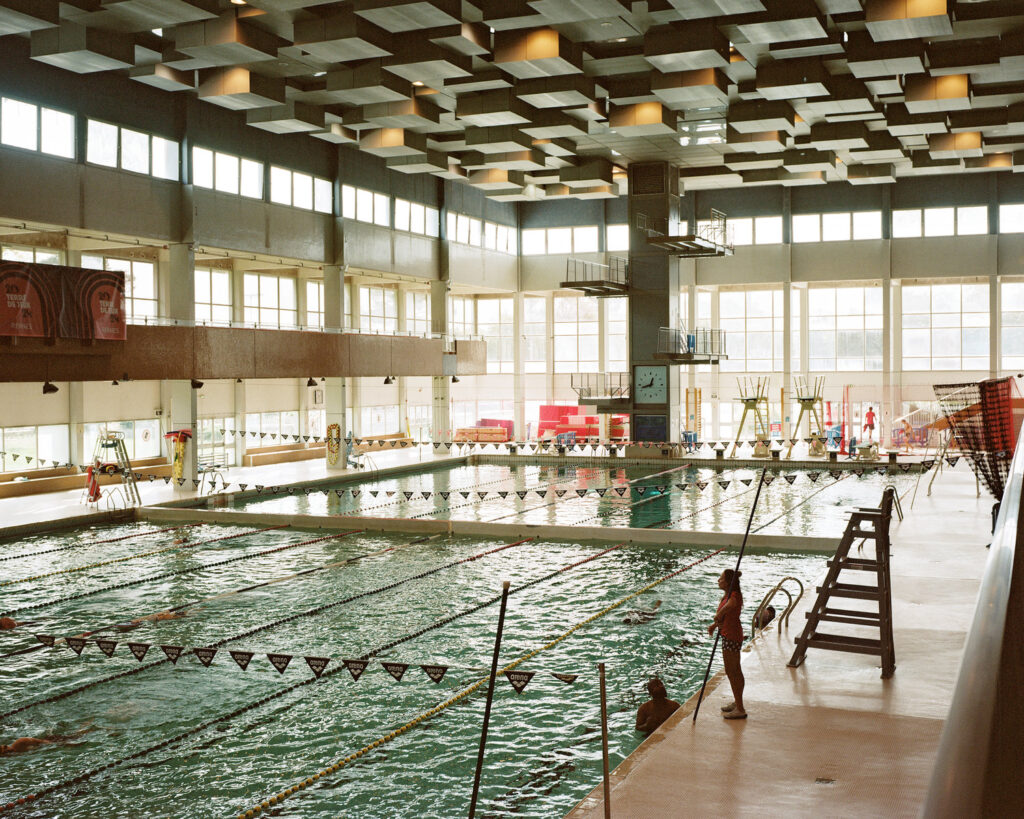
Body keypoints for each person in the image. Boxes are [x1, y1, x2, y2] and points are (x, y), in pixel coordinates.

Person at [709, 568, 747, 720]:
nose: (718, 580)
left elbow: (731, 605)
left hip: (731, 636)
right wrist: (714, 625)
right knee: (733, 671)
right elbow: (726, 616)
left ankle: (740, 709)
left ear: (729, 582)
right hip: (728, 634)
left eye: (721, 578)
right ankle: (737, 702)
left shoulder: (734, 595)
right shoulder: (727, 595)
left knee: (733, 671)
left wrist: (719, 614)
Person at [0, 725, 93, 755]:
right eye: (4, 751)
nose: (6, 749)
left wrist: (60, 744)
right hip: (47, 742)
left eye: (5, 747)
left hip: (50, 740)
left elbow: (40, 742)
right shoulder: (15, 754)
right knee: (76, 735)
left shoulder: (20, 743)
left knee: (78, 735)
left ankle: (91, 727)